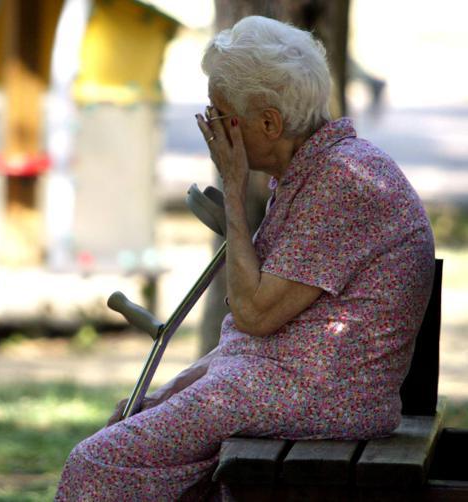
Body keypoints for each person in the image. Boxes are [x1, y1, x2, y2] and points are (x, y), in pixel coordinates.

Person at [55, 15, 434, 501]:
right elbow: (270, 330)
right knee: (149, 443)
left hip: (319, 396)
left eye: (219, 114)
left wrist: (233, 190)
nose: (210, 127)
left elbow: (254, 314)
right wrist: (177, 388)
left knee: (97, 462)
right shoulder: (317, 170)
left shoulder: (345, 180)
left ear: (270, 123)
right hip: (291, 382)